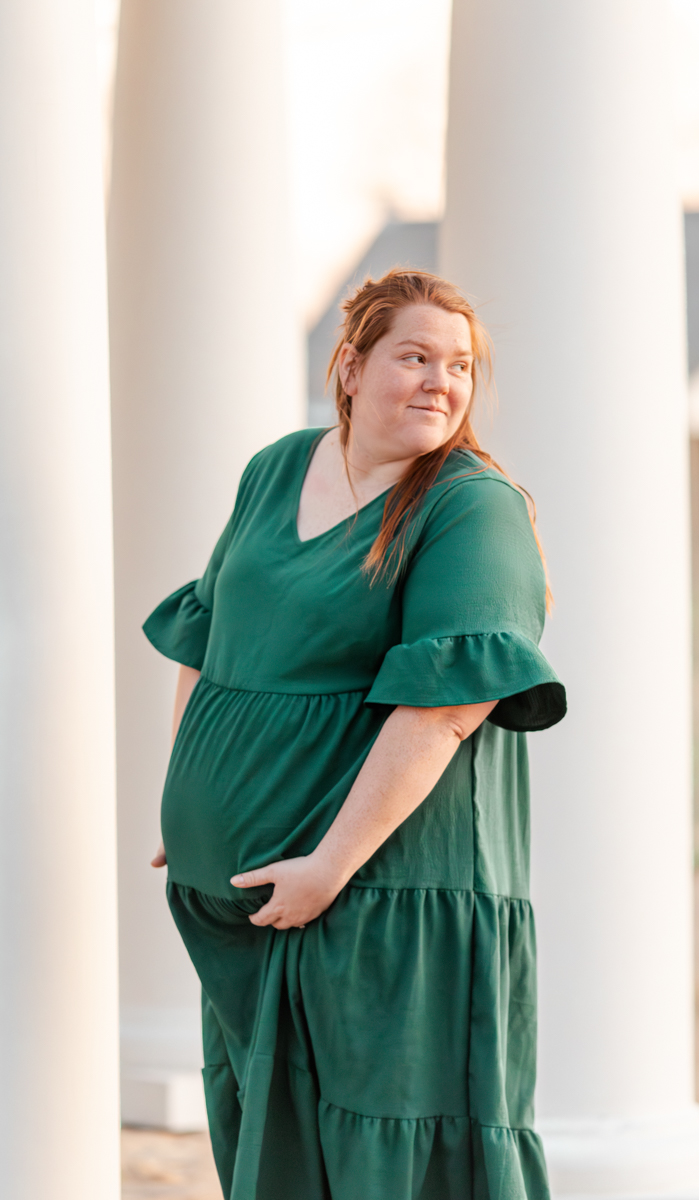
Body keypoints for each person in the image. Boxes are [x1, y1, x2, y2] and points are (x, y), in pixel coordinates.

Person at [144, 269, 566, 1200]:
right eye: (414, 356)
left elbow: (448, 706)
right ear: (349, 365)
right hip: (248, 905)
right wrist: (189, 804)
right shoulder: (276, 469)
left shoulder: (468, 504)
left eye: (459, 365)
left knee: (379, 1154)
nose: (439, 382)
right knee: (275, 1141)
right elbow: (207, 636)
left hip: (379, 898)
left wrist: (329, 865)